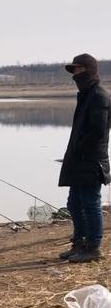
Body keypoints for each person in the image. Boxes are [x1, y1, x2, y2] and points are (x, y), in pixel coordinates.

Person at [58, 53, 111, 263]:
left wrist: (78, 149)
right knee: (74, 203)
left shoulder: (99, 96)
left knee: (90, 203)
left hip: (91, 161)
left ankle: (93, 247)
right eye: (74, 70)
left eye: (78, 70)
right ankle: (79, 243)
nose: (75, 74)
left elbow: (98, 131)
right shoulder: (87, 95)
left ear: (89, 71)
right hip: (80, 160)